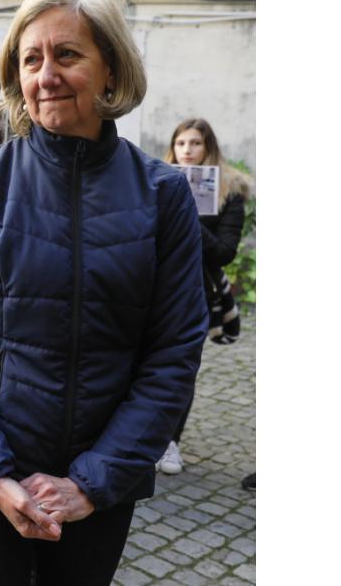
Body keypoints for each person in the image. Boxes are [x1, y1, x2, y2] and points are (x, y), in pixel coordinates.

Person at [0, 0, 208, 585]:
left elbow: (172, 355)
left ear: (111, 69)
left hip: (100, 476)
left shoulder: (163, 195)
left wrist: (92, 482)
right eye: (30, 59)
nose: (46, 75)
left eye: (67, 54)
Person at [156, 117, 253, 476]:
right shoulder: (156, 180)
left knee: (180, 369)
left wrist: (189, 215)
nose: (188, 151)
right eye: (181, 143)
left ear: (208, 147)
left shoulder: (229, 191)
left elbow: (225, 252)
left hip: (196, 293)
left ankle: (171, 442)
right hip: (152, 289)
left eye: (195, 143)